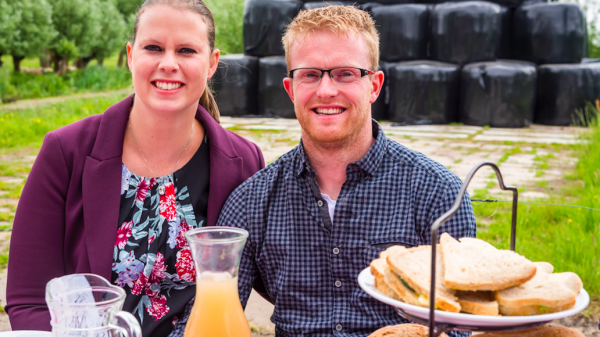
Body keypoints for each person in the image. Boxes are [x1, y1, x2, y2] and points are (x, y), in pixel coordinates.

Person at [172, 5, 476, 337]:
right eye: (310, 74)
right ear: (291, 89)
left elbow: (462, 323)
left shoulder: (439, 194)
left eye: (345, 73)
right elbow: (211, 319)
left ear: (374, 85)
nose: (326, 90)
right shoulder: (251, 202)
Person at [5, 0, 264, 335]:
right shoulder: (65, 152)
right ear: (131, 55)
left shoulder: (245, 162)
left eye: (186, 50)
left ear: (212, 63)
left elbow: (274, 275)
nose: (168, 64)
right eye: (153, 47)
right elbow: (29, 299)